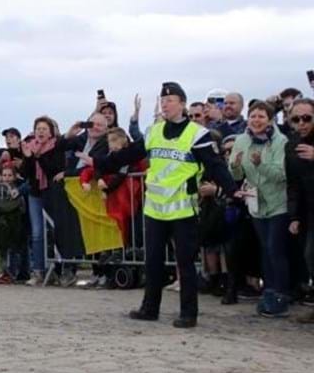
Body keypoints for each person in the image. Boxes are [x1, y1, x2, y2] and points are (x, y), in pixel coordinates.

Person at [97, 82, 237, 328]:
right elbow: (129, 155)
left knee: (184, 263)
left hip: (182, 209)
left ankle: (188, 313)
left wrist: (233, 190)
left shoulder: (197, 134)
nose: (165, 104)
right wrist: (100, 163)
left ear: (182, 103)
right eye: (163, 101)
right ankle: (149, 308)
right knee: (152, 261)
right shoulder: (154, 132)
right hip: (155, 208)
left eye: (170, 100)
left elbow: (215, 166)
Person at [229, 101, 289, 318]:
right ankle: (269, 292)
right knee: (265, 248)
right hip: (256, 203)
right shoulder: (242, 140)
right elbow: (235, 175)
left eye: (261, 116)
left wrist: (259, 164)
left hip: (278, 202)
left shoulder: (280, 141)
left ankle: (282, 295)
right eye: (253, 116)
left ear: (270, 119)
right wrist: (235, 166)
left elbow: (281, 174)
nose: (256, 120)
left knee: (275, 248)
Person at [21, 116, 66, 285]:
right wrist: (28, 158)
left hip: (52, 192)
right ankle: (38, 271)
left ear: (51, 132)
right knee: (37, 233)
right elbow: (26, 173)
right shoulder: (30, 147)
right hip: (35, 193)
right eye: (38, 128)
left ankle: (59, 269)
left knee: (55, 231)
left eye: (44, 129)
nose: (40, 131)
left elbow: (52, 170)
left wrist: (38, 157)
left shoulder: (56, 147)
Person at [284, 99, 314, 323]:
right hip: (307, 210)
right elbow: (293, 183)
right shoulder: (291, 145)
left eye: (307, 118)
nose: (302, 123)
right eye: (296, 119)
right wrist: (293, 216)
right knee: (309, 256)